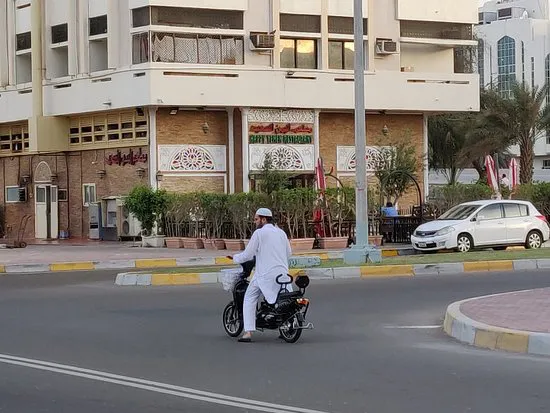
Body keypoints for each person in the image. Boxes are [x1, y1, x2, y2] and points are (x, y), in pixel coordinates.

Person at [231, 208, 292, 343]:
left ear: (264, 219)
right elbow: (289, 253)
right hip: (283, 273)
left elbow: (248, 254)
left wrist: (235, 258)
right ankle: (285, 327)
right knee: (284, 300)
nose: (255, 222)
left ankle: (248, 332)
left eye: (256, 219)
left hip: (264, 274)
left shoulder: (259, 233)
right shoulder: (281, 233)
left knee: (249, 297)